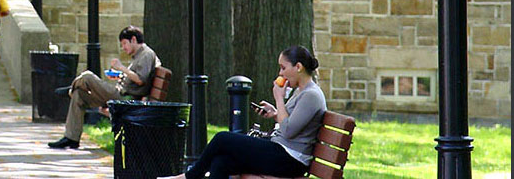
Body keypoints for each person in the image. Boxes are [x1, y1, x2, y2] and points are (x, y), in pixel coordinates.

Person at [173, 46, 326, 179]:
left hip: (291, 159)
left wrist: (279, 98)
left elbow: (288, 131)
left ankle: (190, 176)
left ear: (298, 67)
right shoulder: (301, 91)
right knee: (221, 161)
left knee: (222, 138)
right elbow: (290, 122)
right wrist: (274, 113)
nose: (281, 73)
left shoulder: (311, 95)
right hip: (281, 150)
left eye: (283, 68)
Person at [48, 26, 160, 150]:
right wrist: (120, 76)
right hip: (120, 93)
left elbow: (140, 79)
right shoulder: (139, 55)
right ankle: (71, 138)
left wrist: (121, 67)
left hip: (124, 98)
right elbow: (134, 79)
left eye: (124, 44)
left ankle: (71, 87)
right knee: (78, 94)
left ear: (133, 39)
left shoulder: (146, 54)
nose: (123, 48)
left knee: (87, 76)